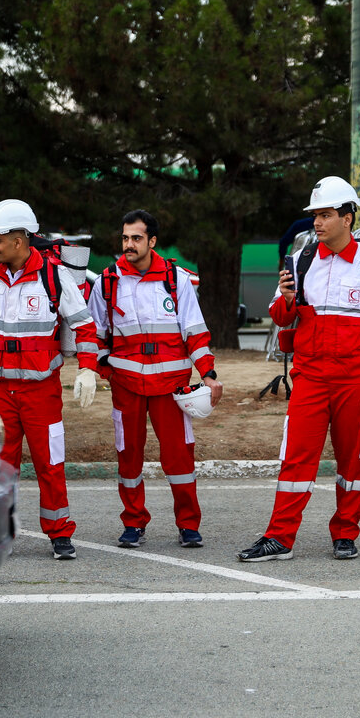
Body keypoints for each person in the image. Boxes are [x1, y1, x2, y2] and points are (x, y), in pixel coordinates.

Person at [237, 176, 360, 562]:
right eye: (315, 215)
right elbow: (280, 317)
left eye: (326, 215)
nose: (317, 222)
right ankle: (279, 538)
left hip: (357, 379)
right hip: (310, 377)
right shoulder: (299, 260)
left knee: (352, 462)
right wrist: (288, 298)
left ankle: (345, 534)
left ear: (348, 218)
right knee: (295, 458)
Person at [0, 199, 100, 561]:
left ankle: (59, 533)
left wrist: (88, 367)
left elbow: (84, 324)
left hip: (42, 392)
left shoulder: (54, 276)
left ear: (19, 240)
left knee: (49, 464)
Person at [87, 210, 222, 549]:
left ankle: (188, 525)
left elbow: (195, 332)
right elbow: (93, 336)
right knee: (128, 456)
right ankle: (133, 523)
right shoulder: (107, 281)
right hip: (126, 387)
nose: (128, 245)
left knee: (180, 459)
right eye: (125, 238)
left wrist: (209, 374)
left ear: (152, 241)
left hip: (172, 388)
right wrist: (101, 370)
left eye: (136, 238)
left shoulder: (176, 280)